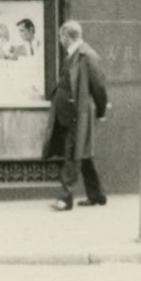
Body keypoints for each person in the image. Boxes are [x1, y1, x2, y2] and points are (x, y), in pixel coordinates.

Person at [43, 19, 109, 209]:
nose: (60, 41)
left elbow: (99, 86)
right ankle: (97, 196)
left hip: (77, 114)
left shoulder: (87, 55)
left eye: (61, 37)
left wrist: (101, 111)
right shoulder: (75, 55)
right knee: (83, 153)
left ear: (67, 36)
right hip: (68, 114)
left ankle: (65, 198)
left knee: (72, 152)